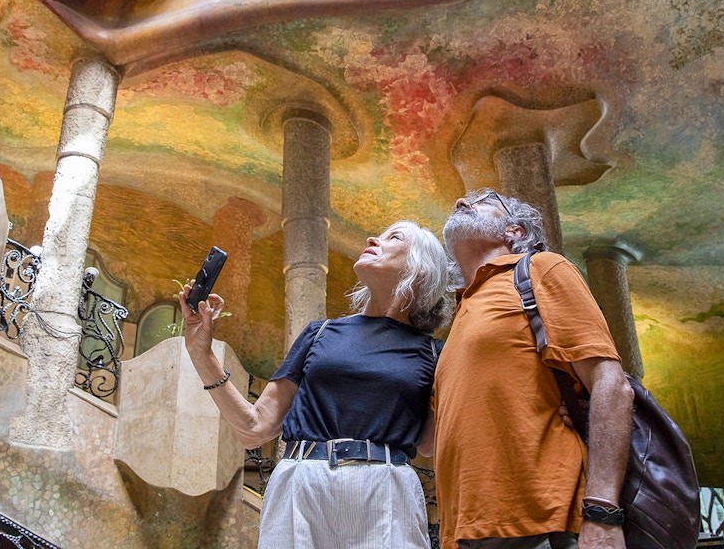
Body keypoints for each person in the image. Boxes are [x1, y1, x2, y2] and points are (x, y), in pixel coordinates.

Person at [180, 220, 451, 549]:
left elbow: (429, 445)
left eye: (392, 238)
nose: (372, 239)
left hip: (387, 490)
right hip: (300, 482)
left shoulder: (433, 353)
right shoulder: (319, 333)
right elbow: (255, 428)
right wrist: (201, 354)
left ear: (420, 270)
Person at [433, 188, 635, 549]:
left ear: (515, 232)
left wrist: (603, 513)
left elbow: (610, 383)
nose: (462, 202)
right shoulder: (460, 318)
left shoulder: (540, 269)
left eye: (485, 201)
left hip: (543, 522)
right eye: (461, 200)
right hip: (465, 531)